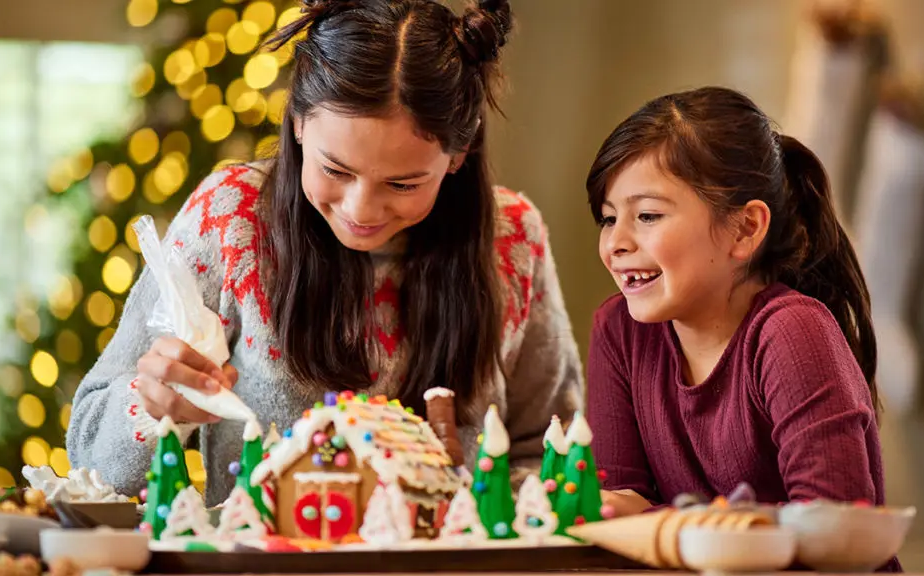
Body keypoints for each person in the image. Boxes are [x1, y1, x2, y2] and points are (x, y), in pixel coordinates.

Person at [67, 0, 583, 506]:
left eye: (403, 183)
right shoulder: (230, 219)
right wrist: (151, 404)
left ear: (457, 155)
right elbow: (92, 464)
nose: (361, 209)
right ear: (297, 122)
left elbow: (549, 448)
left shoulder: (513, 237)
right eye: (335, 170)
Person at [584, 87, 889, 518]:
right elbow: (615, 508)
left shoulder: (792, 332)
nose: (615, 242)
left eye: (648, 215)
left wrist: (652, 519)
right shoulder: (620, 331)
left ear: (745, 228)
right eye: (608, 218)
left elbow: (831, 525)